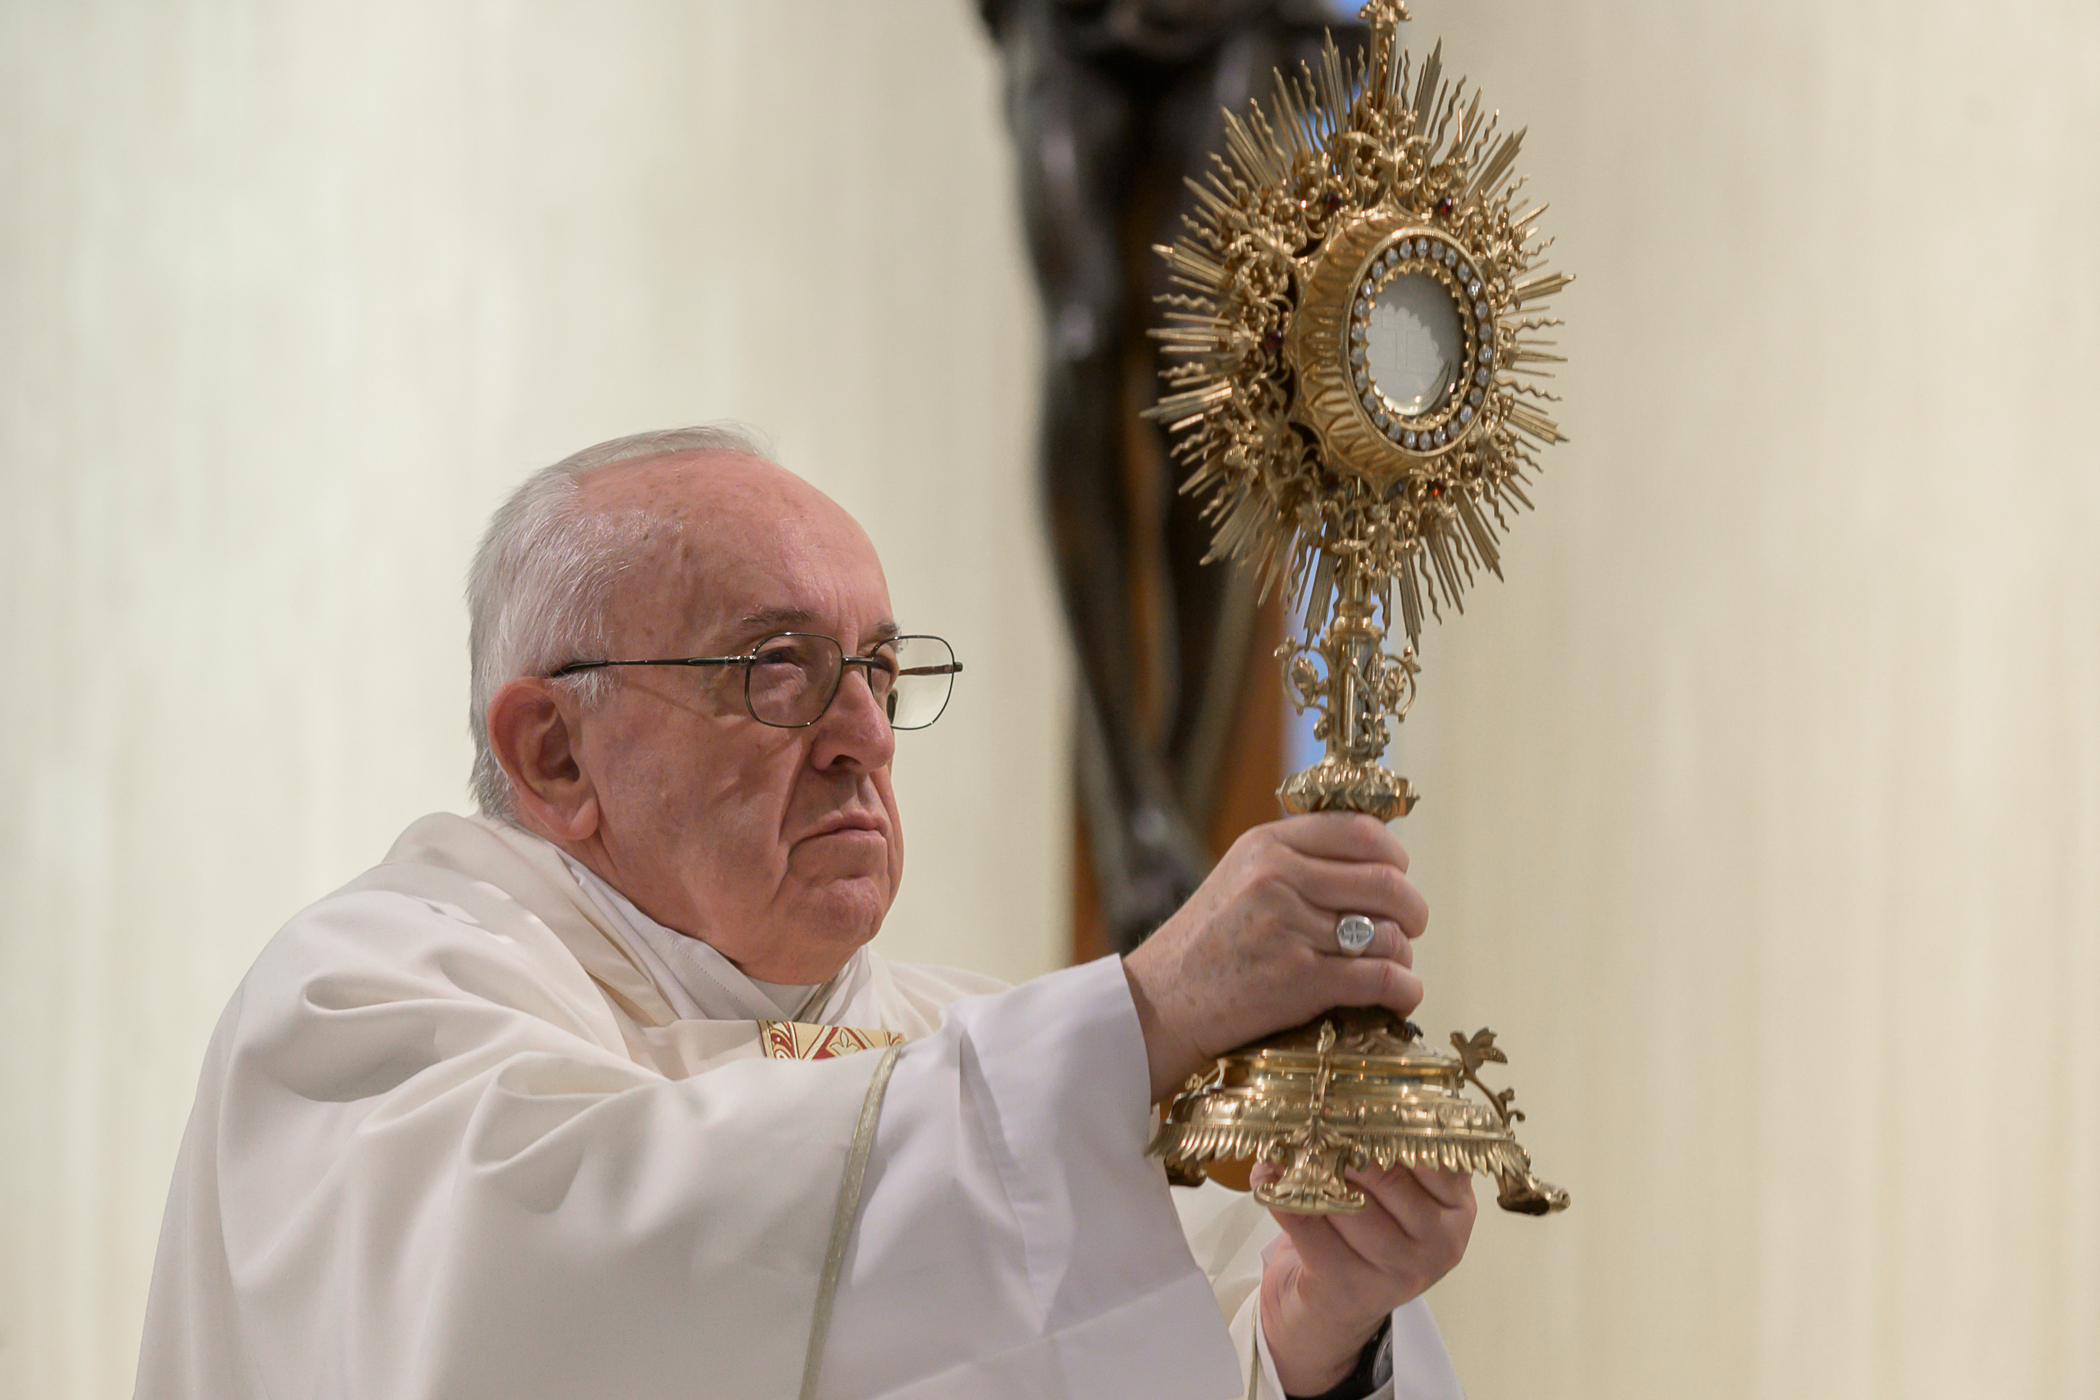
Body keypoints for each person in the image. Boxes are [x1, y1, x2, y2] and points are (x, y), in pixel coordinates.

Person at [135, 426, 1475, 1400]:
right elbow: (560, 1298)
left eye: (881, 669)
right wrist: (1145, 1009)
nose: (865, 736)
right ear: (553, 752)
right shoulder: (362, 1009)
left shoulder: (970, 1047)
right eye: (776, 670)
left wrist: (1311, 1343)